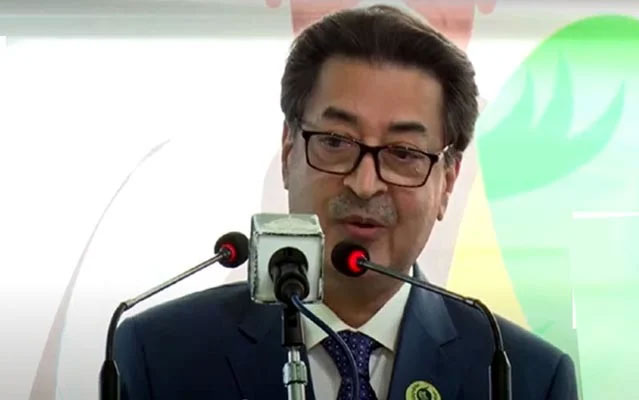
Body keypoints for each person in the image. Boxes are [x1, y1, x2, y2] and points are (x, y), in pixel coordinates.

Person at [115, 5, 578, 399]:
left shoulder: (525, 375)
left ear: (448, 182)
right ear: (289, 152)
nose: (364, 183)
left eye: (403, 153)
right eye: (336, 142)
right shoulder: (158, 354)